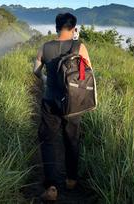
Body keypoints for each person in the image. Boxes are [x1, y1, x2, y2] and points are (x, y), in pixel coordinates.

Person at [33, 13, 91, 202]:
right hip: (73, 102)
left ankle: (51, 186)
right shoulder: (79, 46)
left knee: (48, 141)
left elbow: (36, 70)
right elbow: (88, 71)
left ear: (56, 27)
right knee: (71, 139)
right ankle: (71, 180)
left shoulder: (46, 47)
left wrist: (45, 79)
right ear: (74, 28)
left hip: (50, 101)